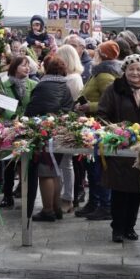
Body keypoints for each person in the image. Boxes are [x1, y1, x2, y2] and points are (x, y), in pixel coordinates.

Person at [97, 54, 140, 242]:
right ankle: (117, 228)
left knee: (137, 188)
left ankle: (130, 227)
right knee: (119, 189)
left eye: (139, 69)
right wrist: (116, 131)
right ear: (124, 71)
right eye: (131, 69)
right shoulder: (113, 90)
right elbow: (102, 114)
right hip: (120, 147)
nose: (135, 72)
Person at [74, 40, 121, 220]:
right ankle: (95, 202)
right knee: (92, 165)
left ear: (103, 55)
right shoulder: (99, 72)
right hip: (92, 125)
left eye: (98, 52)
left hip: (98, 125)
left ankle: (104, 205)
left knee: (97, 167)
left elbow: (110, 100)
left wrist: (89, 107)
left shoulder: (104, 75)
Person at [25, 55, 74, 221]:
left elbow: (33, 109)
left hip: (45, 133)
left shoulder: (43, 85)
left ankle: (47, 210)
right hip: (61, 131)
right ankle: (56, 207)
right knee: (55, 170)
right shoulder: (64, 86)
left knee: (45, 173)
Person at [0, 54, 37, 208]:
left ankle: (24, 190)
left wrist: (25, 120)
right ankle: (7, 195)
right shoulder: (3, 85)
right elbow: (1, 107)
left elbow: (35, 104)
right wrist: (14, 119)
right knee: (9, 162)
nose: (27, 68)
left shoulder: (33, 84)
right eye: (23, 65)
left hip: (27, 126)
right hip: (8, 127)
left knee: (25, 160)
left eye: (28, 65)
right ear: (14, 67)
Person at [53, 44, 83, 213]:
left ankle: (67, 197)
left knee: (66, 162)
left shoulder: (71, 79)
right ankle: (65, 196)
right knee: (65, 162)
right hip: (68, 121)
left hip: (68, 122)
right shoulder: (74, 77)